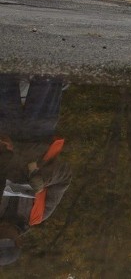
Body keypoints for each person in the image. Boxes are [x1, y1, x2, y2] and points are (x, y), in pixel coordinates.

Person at [0, 76, 71, 266]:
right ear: (19, 241)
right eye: (6, 239)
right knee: (48, 75)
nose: (2, 233)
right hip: (40, 134)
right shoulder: (38, 214)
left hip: (4, 131)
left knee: (4, 75)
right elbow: (64, 176)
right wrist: (43, 179)